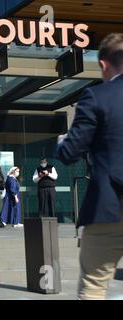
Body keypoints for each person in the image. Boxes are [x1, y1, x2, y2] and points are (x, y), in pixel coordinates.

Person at [57, 33, 123, 300]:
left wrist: (62, 142)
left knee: (94, 286)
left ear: (104, 64)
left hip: (108, 207)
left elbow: (71, 153)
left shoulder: (96, 96)